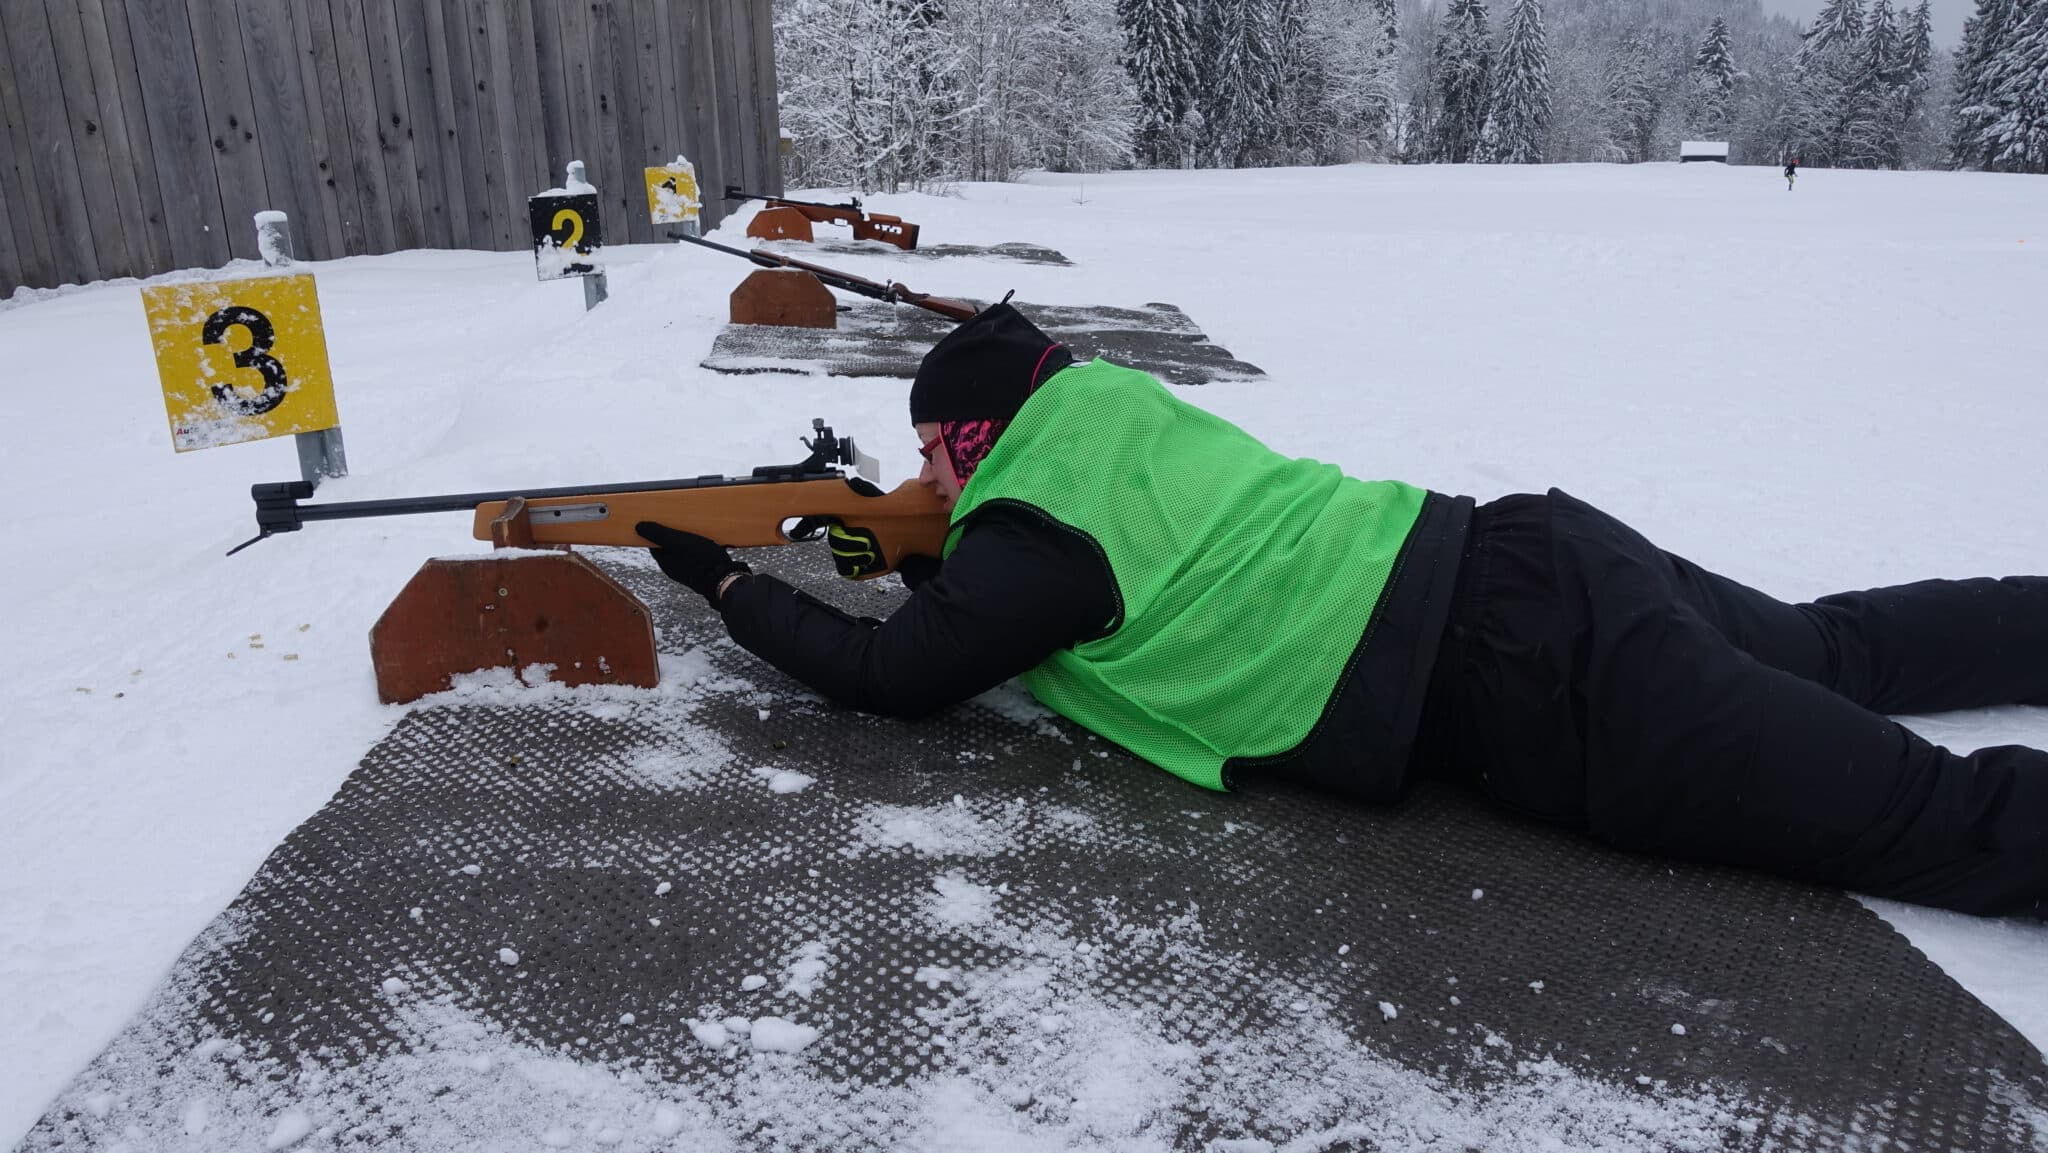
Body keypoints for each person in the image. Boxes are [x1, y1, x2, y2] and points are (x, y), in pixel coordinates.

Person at [637, 304, 2048, 919]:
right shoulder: (1115, 411)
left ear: (972, 438)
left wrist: (730, 583)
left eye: (935, 455)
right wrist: (923, 559)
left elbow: (895, 678)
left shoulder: (1029, 536)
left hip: (1539, 678)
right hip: (1537, 552)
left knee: (1924, 818)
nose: (930, 483)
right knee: (1838, 647)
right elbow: (1055, 577)